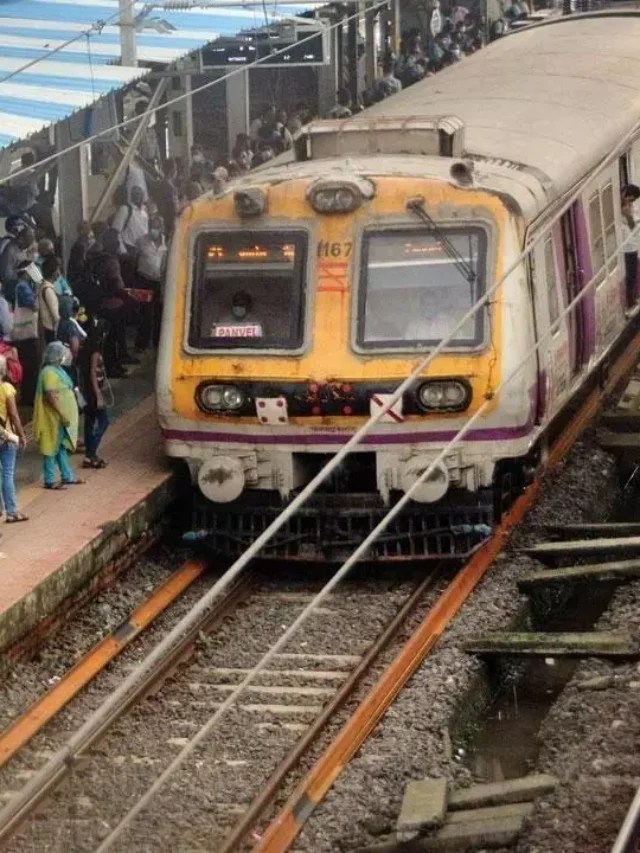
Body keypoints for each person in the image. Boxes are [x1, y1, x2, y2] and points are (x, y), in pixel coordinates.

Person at [33, 342, 83, 489]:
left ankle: (67, 476)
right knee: (50, 447)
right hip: (53, 418)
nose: (65, 356)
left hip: (59, 418)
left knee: (60, 446)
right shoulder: (48, 372)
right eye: (62, 354)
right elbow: (50, 396)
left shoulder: (58, 369)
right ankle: (49, 480)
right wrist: (63, 415)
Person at [0, 354, 27, 522]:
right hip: (7, 437)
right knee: (8, 474)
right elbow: (14, 415)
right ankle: (12, 511)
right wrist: (22, 435)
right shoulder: (6, 389)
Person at [79, 321, 109, 469]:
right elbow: (93, 373)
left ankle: (88, 456)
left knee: (89, 423)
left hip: (85, 391)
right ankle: (91, 453)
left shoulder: (84, 349)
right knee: (104, 421)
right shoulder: (95, 352)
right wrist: (99, 395)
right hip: (93, 391)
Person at [135, 215, 167, 351]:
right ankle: (141, 345)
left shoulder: (168, 241)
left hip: (161, 282)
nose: (154, 230)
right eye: (152, 227)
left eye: (156, 227)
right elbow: (135, 259)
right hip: (144, 281)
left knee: (160, 313)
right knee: (144, 314)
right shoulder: (141, 241)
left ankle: (158, 343)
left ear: (162, 228)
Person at [12, 261, 41, 406]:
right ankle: (29, 398)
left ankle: (29, 396)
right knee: (30, 366)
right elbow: (34, 306)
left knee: (30, 366)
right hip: (25, 335)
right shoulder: (22, 287)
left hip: (26, 334)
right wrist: (39, 288)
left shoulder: (25, 286)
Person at [0, 219, 36, 304]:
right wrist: (20, 273)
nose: (26, 247)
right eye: (26, 244)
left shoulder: (21, 250)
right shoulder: (10, 251)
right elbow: (6, 276)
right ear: (20, 239)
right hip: (11, 289)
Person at [112, 185, 148, 258]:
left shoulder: (144, 210)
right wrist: (123, 251)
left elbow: (144, 230)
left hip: (141, 252)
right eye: (135, 193)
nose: (138, 196)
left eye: (139, 193)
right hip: (129, 251)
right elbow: (115, 232)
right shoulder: (125, 209)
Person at [622, 185, 640, 309]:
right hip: (625, 247)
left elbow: (634, 226)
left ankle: (631, 299)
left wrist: (628, 214)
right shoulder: (620, 208)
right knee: (628, 276)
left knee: (632, 275)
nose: (631, 202)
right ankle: (629, 300)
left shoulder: (632, 209)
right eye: (630, 199)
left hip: (632, 247)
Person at [38, 255, 61, 344]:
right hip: (50, 329)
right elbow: (55, 315)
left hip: (45, 328)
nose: (59, 273)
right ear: (53, 272)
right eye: (58, 270)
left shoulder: (42, 286)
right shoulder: (48, 290)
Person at [155, 159, 179, 236]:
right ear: (172, 170)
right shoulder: (168, 186)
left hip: (164, 218)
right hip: (168, 220)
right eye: (175, 168)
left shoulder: (162, 184)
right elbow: (171, 206)